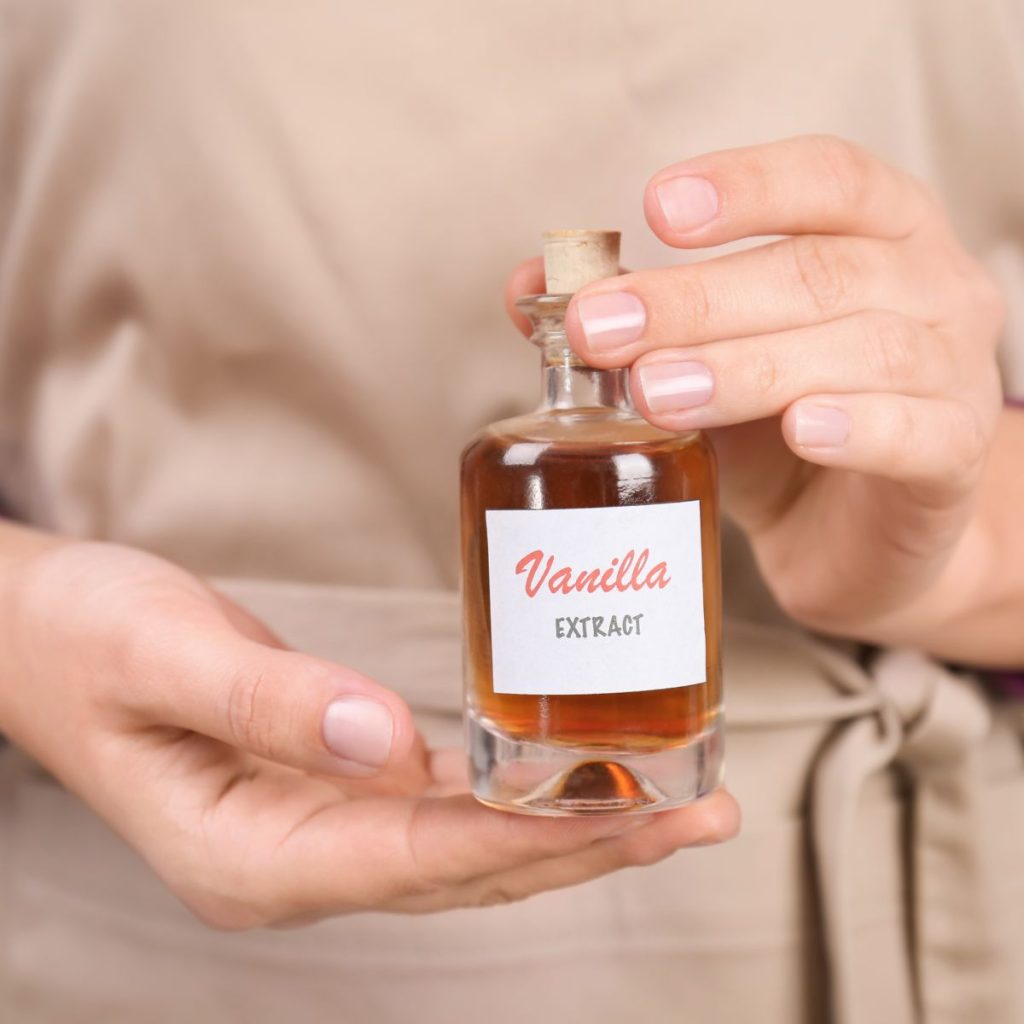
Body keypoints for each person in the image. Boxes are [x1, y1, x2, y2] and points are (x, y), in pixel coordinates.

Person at [0, 2, 1021, 1022]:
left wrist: (964, 545)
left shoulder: (633, 456)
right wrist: (20, 626)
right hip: (150, 914)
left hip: (892, 904)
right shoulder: (515, 458)